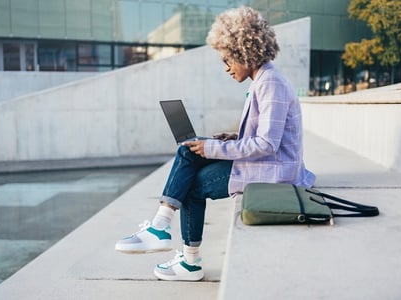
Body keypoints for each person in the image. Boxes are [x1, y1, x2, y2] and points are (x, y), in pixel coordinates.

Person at [115, 6, 316, 281]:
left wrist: (213, 148)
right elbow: (270, 135)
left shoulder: (271, 83)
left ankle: (185, 257)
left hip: (273, 172)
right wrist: (234, 138)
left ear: (244, 51)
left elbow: (268, 144)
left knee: (191, 185)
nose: (226, 68)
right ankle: (162, 228)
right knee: (188, 150)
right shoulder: (264, 79)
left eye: (227, 60)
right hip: (266, 164)